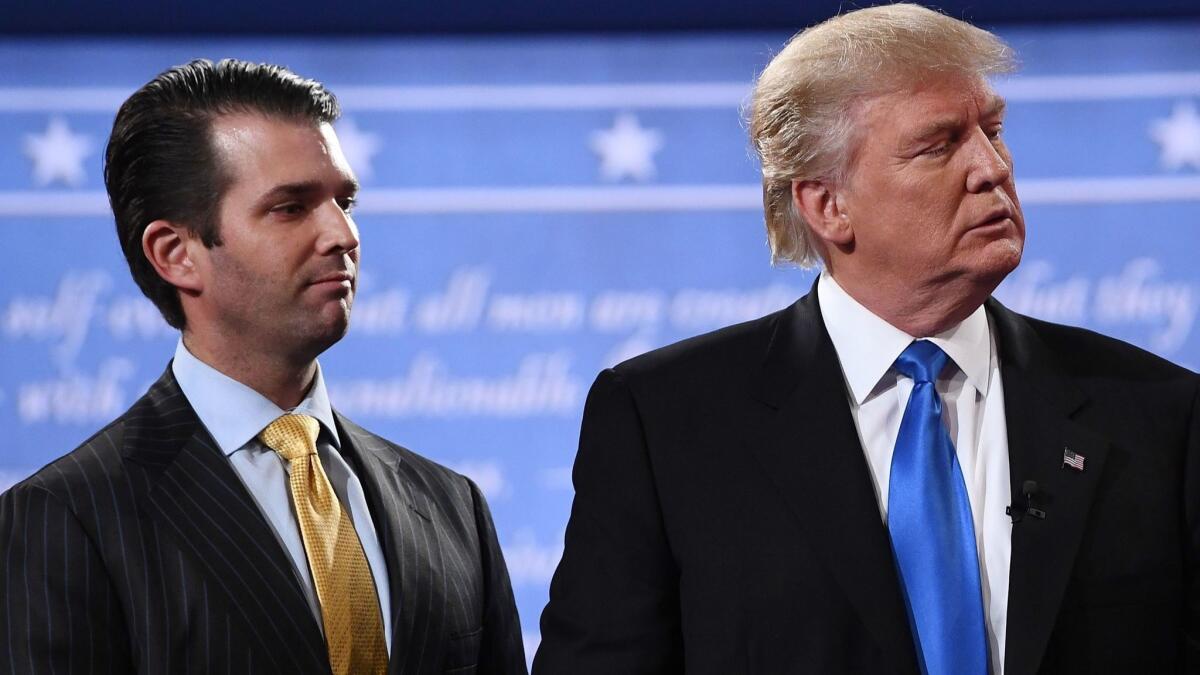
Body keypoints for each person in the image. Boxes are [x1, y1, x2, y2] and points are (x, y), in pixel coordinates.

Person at [533, 5, 1199, 674]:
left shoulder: (1159, 415)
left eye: (992, 131)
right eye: (940, 144)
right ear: (827, 205)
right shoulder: (664, 422)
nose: (991, 168)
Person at [0, 59, 527, 675]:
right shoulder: (66, 521)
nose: (342, 232)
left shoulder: (452, 505)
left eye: (344, 200)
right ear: (176, 254)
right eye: (291, 208)